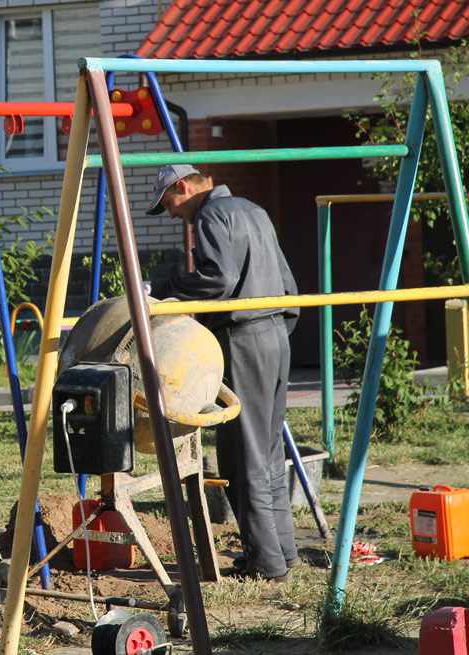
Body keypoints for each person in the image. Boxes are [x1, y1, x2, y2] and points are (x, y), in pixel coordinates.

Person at [144, 164, 300, 583]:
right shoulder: (253, 209)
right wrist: (278, 329)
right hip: (275, 334)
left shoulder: (211, 215)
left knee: (243, 453)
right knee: (268, 449)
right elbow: (287, 282)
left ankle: (266, 566)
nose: (173, 214)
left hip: (243, 338)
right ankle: (284, 553)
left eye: (169, 203)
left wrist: (161, 289)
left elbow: (219, 278)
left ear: (182, 186)